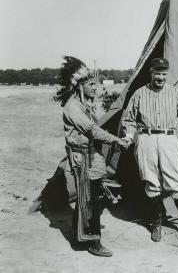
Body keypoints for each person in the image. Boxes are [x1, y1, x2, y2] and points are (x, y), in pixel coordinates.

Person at [54, 56, 128, 257]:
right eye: (91, 84)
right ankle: (94, 241)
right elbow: (94, 131)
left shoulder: (84, 104)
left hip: (89, 156)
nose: (95, 88)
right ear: (80, 86)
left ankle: (80, 238)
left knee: (88, 198)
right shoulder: (73, 108)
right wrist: (117, 140)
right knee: (91, 200)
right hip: (82, 158)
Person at [121, 58, 178, 245]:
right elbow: (129, 119)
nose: (161, 77)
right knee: (151, 182)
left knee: (175, 182)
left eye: (164, 74)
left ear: (167, 74)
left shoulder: (175, 93)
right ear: (151, 73)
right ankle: (157, 223)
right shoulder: (139, 93)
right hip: (145, 138)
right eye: (157, 73)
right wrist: (129, 137)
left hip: (168, 138)